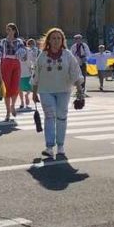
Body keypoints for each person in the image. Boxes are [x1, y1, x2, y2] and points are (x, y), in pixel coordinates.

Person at [31, 28, 84, 160]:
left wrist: (80, 90)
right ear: (49, 40)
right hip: (45, 91)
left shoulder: (67, 55)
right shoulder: (42, 55)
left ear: (62, 41)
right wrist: (34, 92)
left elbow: (75, 72)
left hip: (64, 90)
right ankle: (49, 147)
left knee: (61, 116)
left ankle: (60, 146)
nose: (56, 41)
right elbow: (36, 75)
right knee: (49, 116)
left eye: (58, 38)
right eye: (53, 38)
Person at [0, 23, 24, 122]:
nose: (8, 31)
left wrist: (22, 52)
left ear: (14, 30)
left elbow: (23, 51)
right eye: (7, 30)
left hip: (16, 62)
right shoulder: (3, 41)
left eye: (10, 29)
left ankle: (13, 105)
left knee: (15, 86)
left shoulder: (19, 41)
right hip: (6, 62)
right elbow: (0, 53)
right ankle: (7, 112)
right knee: (6, 87)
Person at [20, 38, 38, 109]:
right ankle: (26, 96)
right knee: (30, 87)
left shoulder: (17, 51)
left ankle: (22, 102)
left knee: (20, 88)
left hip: (19, 72)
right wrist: (31, 68)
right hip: (27, 71)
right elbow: (31, 61)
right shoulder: (28, 50)